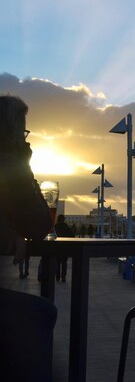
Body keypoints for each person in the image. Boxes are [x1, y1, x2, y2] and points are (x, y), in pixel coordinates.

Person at [0, 95, 57, 382]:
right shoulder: (9, 161)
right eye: (23, 132)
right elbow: (38, 225)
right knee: (40, 314)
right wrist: (24, 164)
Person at [54, 214, 74, 282]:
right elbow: (72, 235)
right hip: (65, 247)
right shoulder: (65, 226)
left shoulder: (56, 226)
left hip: (57, 247)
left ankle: (57, 276)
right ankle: (63, 277)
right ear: (63, 219)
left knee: (58, 262)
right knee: (64, 263)